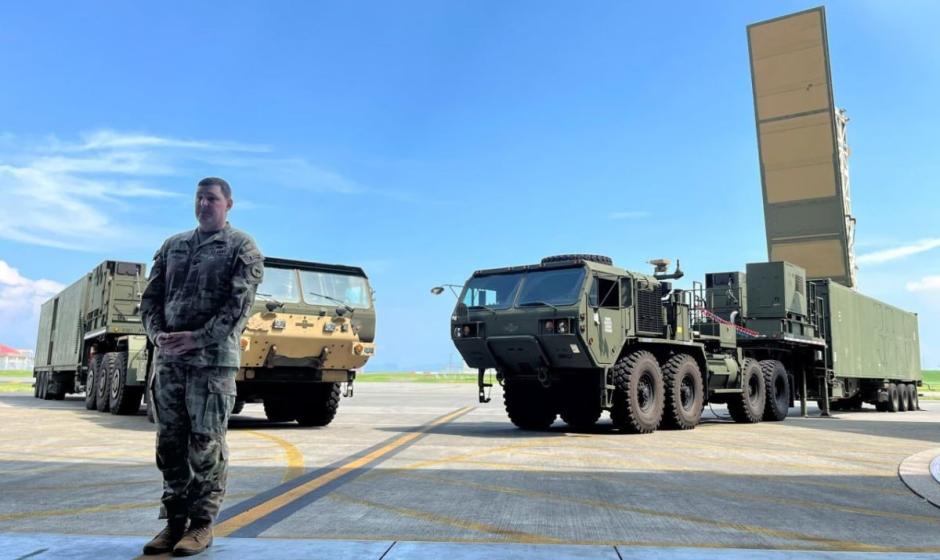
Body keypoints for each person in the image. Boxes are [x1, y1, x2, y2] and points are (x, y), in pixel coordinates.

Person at [140, 177, 263, 556]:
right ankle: (173, 523)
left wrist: (196, 337)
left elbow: (238, 307)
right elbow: (151, 299)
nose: (204, 204)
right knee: (170, 443)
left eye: (212, 198)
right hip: (171, 361)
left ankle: (201, 525)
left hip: (211, 363)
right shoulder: (172, 245)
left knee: (206, 444)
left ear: (228, 204)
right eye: (199, 198)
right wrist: (158, 335)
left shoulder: (241, 246)